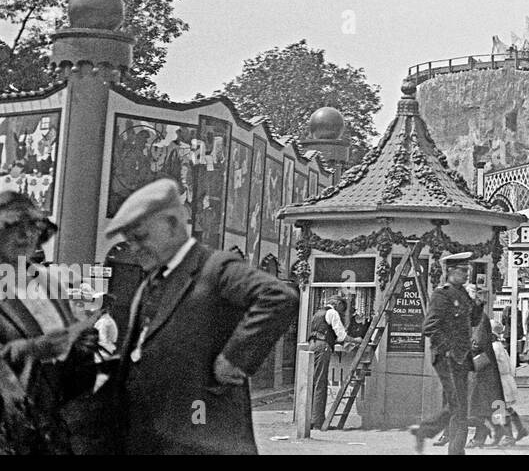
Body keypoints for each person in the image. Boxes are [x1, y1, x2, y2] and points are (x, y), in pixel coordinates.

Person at [105, 178, 298, 454]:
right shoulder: (152, 283)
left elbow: (278, 297)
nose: (134, 248)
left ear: (171, 224)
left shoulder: (215, 268)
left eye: (140, 237)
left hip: (203, 441)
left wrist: (234, 358)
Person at [0, 191, 99, 454]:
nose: (26, 235)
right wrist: (30, 350)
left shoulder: (50, 282)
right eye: (13, 227)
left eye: (33, 226)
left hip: (56, 429)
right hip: (10, 432)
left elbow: (69, 350)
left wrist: (81, 343)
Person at [412, 252, 483, 455]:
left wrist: (477, 303)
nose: (467, 274)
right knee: (459, 407)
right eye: (462, 270)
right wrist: (448, 349)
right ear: (450, 271)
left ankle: (426, 430)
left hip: (462, 358)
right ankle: (455, 451)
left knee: (458, 406)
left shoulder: (463, 294)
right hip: (447, 358)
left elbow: (473, 322)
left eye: (468, 270)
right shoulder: (442, 295)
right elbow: (429, 327)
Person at [307, 294, 358, 430]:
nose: (342, 312)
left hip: (312, 345)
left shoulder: (317, 313)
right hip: (323, 346)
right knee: (320, 382)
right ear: (337, 304)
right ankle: (318, 421)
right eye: (342, 308)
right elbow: (342, 335)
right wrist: (355, 340)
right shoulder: (332, 312)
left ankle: (309, 419)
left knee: (312, 382)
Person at [468, 301, 506, 446]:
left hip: (481, 370)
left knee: (479, 406)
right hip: (479, 369)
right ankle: (485, 434)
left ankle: (482, 436)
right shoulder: (474, 317)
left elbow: (476, 343)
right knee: (480, 406)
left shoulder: (480, 318)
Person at [489, 320, 528, 445]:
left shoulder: (494, 347)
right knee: (505, 407)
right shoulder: (499, 345)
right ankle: (520, 429)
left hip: (500, 381)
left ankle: (508, 436)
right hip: (505, 380)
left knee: (499, 408)